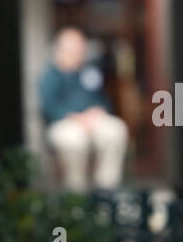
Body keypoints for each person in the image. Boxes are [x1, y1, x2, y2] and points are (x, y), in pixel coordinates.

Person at [38, 26, 129, 192]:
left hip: (93, 120)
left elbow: (103, 100)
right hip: (65, 124)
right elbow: (50, 108)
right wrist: (76, 118)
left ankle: (106, 189)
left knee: (115, 130)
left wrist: (99, 111)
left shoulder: (89, 72)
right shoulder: (50, 76)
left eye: (81, 48)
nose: (78, 53)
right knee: (74, 140)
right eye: (73, 49)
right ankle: (76, 191)